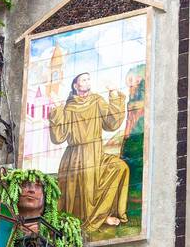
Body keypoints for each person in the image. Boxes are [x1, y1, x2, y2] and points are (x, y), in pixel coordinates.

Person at [48, 73, 129, 232]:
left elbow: (112, 123)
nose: (88, 82)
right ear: (75, 86)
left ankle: (105, 213)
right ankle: (99, 218)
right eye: (84, 80)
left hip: (96, 152)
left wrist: (113, 93)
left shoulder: (97, 100)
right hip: (75, 155)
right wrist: (57, 110)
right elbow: (58, 137)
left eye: (89, 79)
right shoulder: (68, 107)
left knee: (120, 167)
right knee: (86, 182)